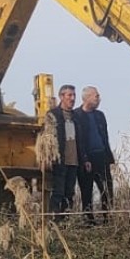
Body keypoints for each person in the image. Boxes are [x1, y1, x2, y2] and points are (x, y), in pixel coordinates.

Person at [76, 86, 115, 225]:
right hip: (86, 159)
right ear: (87, 98)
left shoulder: (100, 115)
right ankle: (88, 220)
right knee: (87, 190)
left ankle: (108, 218)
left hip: (102, 157)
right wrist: (84, 158)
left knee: (107, 189)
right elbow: (78, 140)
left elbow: (105, 137)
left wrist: (110, 157)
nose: (99, 98)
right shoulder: (77, 115)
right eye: (96, 96)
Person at [42, 85, 81, 217]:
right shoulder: (53, 115)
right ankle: (54, 219)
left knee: (69, 193)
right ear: (61, 97)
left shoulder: (76, 116)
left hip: (74, 160)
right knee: (58, 191)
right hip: (59, 160)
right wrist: (48, 157)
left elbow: (81, 140)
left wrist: (84, 159)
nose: (72, 98)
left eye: (73, 95)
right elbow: (46, 138)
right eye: (69, 95)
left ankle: (66, 220)